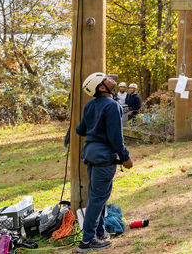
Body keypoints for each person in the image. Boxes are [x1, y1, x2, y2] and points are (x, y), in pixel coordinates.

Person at [75, 72, 133, 252]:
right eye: (106, 78)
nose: (111, 78)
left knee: (97, 197)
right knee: (98, 198)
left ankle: (99, 233)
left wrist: (95, 127)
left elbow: (80, 129)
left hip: (90, 155)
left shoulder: (90, 105)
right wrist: (125, 157)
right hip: (103, 157)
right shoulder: (113, 106)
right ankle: (87, 241)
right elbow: (116, 138)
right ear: (102, 87)